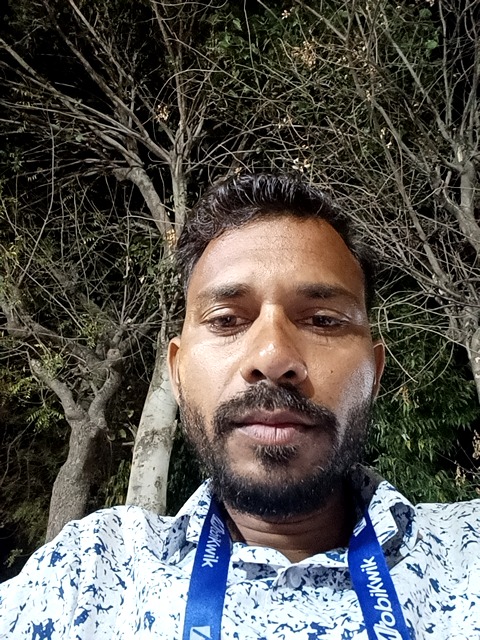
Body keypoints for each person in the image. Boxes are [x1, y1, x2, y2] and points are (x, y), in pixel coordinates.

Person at [1, 173, 479, 640]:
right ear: (177, 373)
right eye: (227, 319)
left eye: (322, 320)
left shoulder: (467, 552)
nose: (272, 357)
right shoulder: (88, 573)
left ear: (374, 374)